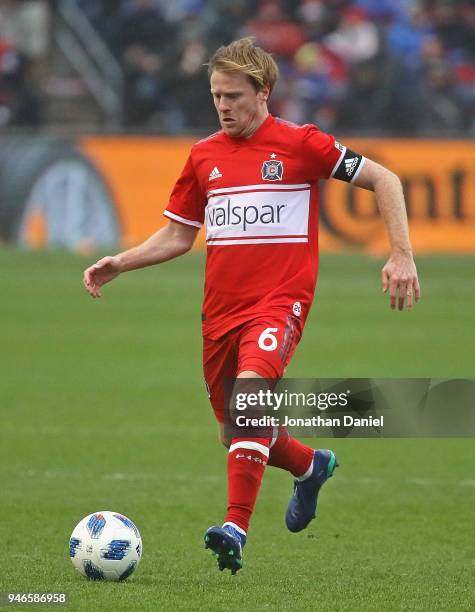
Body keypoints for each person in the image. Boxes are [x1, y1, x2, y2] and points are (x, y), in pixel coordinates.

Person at [83, 37, 421, 575]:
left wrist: (401, 253)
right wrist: (120, 262)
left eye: (234, 95)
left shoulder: (303, 144)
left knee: (250, 401)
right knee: (234, 430)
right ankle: (310, 466)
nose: (223, 105)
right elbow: (177, 236)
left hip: (278, 304)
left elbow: (386, 178)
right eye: (216, 95)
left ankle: (235, 528)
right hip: (220, 313)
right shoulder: (203, 156)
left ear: (263, 92)